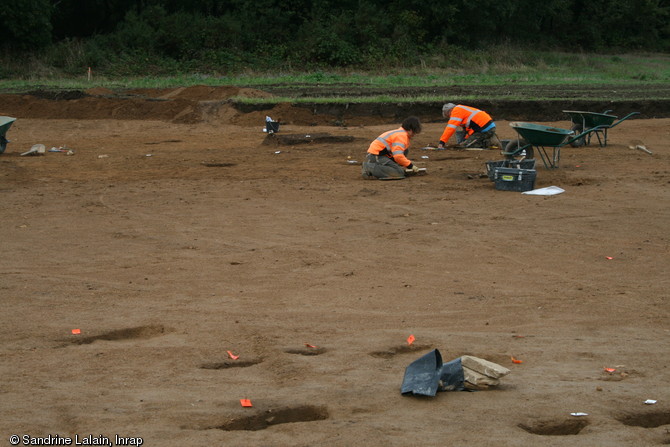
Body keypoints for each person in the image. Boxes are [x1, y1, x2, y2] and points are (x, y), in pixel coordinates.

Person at [437, 103, 502, 150]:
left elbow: (450, 128)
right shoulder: (461, 109)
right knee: (466, 142)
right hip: (487, 127)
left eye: (448, 115)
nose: (450, 117)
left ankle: (489, 142)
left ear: (449, 111)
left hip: (484, 129)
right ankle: (490, 137)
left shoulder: (456, 111)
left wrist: (442, 142)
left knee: (466, 146)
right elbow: (470, 129)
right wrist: (466, 139)